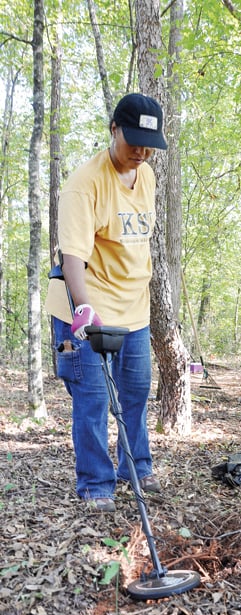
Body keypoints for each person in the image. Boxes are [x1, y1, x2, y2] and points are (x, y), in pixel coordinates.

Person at [45, 93, 167, 512]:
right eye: (132, 140)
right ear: (113, 129)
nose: (141, 151)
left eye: (149, 144)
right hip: (87, 310)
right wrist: (83, 308)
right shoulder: (84, 184)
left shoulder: (146, 174)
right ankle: (97, 485)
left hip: (134, 310)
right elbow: (73, 256)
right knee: (94, 400)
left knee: (134, 393)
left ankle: (135, 468)